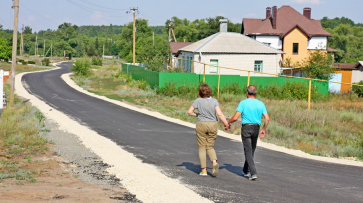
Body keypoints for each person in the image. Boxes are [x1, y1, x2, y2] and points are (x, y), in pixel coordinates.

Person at [227, 85, 269, 181]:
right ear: (255, 93)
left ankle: (253, 172)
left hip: (246, 127)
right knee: (251, 150)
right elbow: (267, 118)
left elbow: (235, 117)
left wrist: (228, 123)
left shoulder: (243, 103)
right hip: (256, 128)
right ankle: (245, 170)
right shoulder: (261, 104)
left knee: (248, 151)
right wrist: (263, 129)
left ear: (247, 92)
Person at [188, 84, 229, 177]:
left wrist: (198, 115)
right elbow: (219, 114)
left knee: (202, 147)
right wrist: (226, 124)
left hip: (201, 124)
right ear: (210, 91)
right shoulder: (214, 101)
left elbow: (189, 112)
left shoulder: (198, 101)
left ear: (200, 92)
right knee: (210, 146)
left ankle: (204, 170)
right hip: (212, 124)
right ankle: (214, 163)